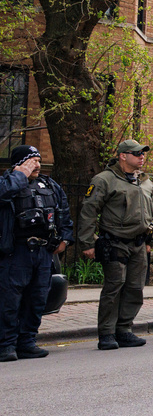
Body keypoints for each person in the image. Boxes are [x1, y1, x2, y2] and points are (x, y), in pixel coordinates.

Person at [78, 140, 153, 350]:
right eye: (137, 153)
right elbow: (88, 211)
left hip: (139, 243)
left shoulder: (145, 182)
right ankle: (106, 333)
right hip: (115, 242)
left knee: (135, 288)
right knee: (114, 287)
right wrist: (87, 242)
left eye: (143, 153)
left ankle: (124, 329)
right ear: (123, 155)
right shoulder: (105, 180)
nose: (142, 157)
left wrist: (150, 239)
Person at [0, 146, 74, 362]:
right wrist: (19, 175)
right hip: (16, 253)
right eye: (32, 161)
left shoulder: (50, 185)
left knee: (37, 299)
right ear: (18, 163)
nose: (38, 165)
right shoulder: (7, 183)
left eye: (39, 160)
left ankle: (27, 342)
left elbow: (64, 213)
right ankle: (6, 345)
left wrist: (65, 239)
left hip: (43, 252)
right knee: (10, 301)